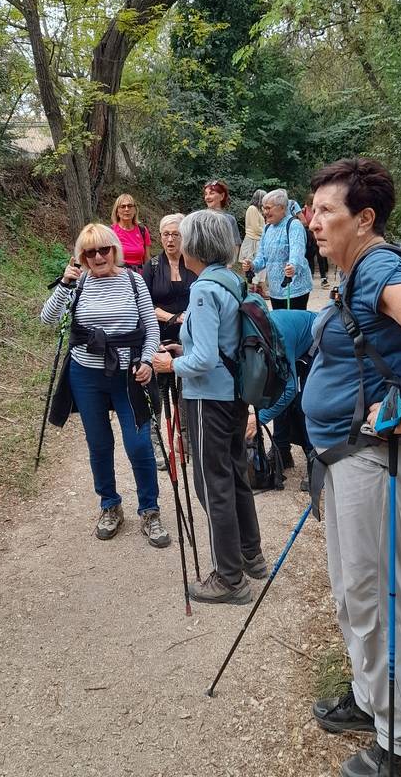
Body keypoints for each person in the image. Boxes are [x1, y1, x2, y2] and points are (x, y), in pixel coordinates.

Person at [301, 158, 401, 777]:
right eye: (312, 210)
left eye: (326, 212)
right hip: (350, 459)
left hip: (380, 460)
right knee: (352, 594)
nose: (313, 221)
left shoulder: (379, 269)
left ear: (364, 220)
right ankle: (372, 702)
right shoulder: (354, 274)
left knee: (375, 597)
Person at [152, 210, 265, 606]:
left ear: (194, 245)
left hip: (207, 400)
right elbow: (221, 344)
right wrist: (187, 350)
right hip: (233, 395)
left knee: (211, 484)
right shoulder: (231, 280)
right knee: (234, 476)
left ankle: (229, 579)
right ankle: (251, 555)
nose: (178, 245)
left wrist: (170, 363)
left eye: (182, 238)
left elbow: (201, 362)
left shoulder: (202, 289)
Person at [41, 224, 170, 549]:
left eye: (104, 250)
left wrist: (146, 360)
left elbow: (150, 328)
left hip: (128, 374)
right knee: (99, 444)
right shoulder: (78, 282)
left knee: (139, 443)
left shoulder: (133, 280)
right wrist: (65, 283)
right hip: (86, 375)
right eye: (89, 252)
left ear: (115, 250)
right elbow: (48, 319)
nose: (98, 256)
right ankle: (109, 505)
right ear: (80, 256)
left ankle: (149, 509)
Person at [142, 214, 197, 470]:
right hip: (160, 333)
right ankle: (159, 445)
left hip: (190, 334)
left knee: (186, 386)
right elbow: (145, 304)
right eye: (166, 234)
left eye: (176, 234)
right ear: (160, 236)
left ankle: (185, 442)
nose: (171, 239)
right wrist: (175, 317)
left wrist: (189, 318)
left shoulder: (193, 262)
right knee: (160, 389)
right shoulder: (152, 266)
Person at [244, 308, 316, 479]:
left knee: (305, 401)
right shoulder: (248, 337)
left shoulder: (275, 338)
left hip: (318, 340)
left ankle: (314, 459)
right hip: (294, 342)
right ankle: (282, 452)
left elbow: (289, 389)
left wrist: (259, 419)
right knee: (276, 395)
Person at [241, 188, 312, 310]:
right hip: (275, 289)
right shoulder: (267, 228)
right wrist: (252, 265)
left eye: (268, 208)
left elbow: (297, 253)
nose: (264, 212)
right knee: (279, 324)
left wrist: (293, 267)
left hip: (293, 287)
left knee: (292, 325)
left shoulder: (294, 225)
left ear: (282, 208)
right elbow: (262, 258)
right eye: (263, 208)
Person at [110, 193, 151, 271]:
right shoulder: (110, 232)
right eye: (122, 206)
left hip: (139, 277)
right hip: (118, 276)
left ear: (135, 210)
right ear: (117, 212)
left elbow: (147, 259)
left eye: (130, 206)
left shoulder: (143, 230)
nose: (126, 209)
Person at [202, 180, 241, 253]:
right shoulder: (200, 219)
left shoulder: (229, 219)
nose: (207, 197)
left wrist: (230, 263)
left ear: (222, 196)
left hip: (223, 262)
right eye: (206, 194)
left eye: (211, 193)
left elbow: (235, 244)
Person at [240, 189, 266, 291]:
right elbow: (255, 227)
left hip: (258, 240)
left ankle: (259, 287)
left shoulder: (258, 210)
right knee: (251, 265)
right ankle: (254, 288)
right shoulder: (252, 209)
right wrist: (266, 233)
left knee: (260, 266)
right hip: (252, 241)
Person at [303, 194, 329, 287]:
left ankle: (323, 278)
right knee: (310, 257)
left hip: (317, 235)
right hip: (309, 236)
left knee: (320, 256)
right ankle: (311, 277)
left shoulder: (317, 209)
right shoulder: (304, 210)